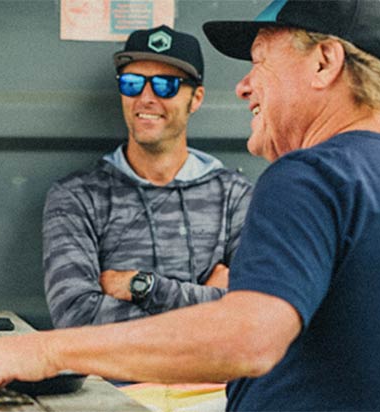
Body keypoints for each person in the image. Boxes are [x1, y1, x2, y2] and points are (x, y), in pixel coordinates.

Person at [0, 1, 380, 410]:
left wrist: (48, 351)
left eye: (260, 60)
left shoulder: (310, 176)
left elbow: (249, 336)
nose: (243, 86)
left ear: (325, 62)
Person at [43, 25, 252, 329]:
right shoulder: (78, 196)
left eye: (165, 85)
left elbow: (252, 312)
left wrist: (142, 286)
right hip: (109, 379)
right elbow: (76, 315)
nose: (146, 98)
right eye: (131, 83)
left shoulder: (235, 197)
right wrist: (210, 299)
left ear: (196, 99)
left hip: (210, 378)